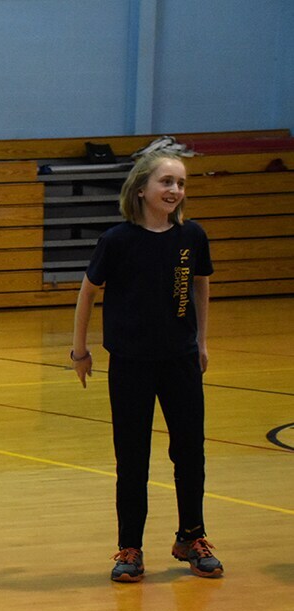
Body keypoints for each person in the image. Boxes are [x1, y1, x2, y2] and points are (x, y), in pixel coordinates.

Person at [71, 151, 222, 583]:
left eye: (181, 183)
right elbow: (87, 293)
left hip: (180, 361)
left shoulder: (192, 236)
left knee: (189, 452)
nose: (175, 190)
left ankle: (191, 536)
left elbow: (200, 286)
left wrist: (201, 341)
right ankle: (130, 548)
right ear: (141, 189)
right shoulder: (117, 240)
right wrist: (80, 350)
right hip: (131, 363)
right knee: (132, 458)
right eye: (166, 182)